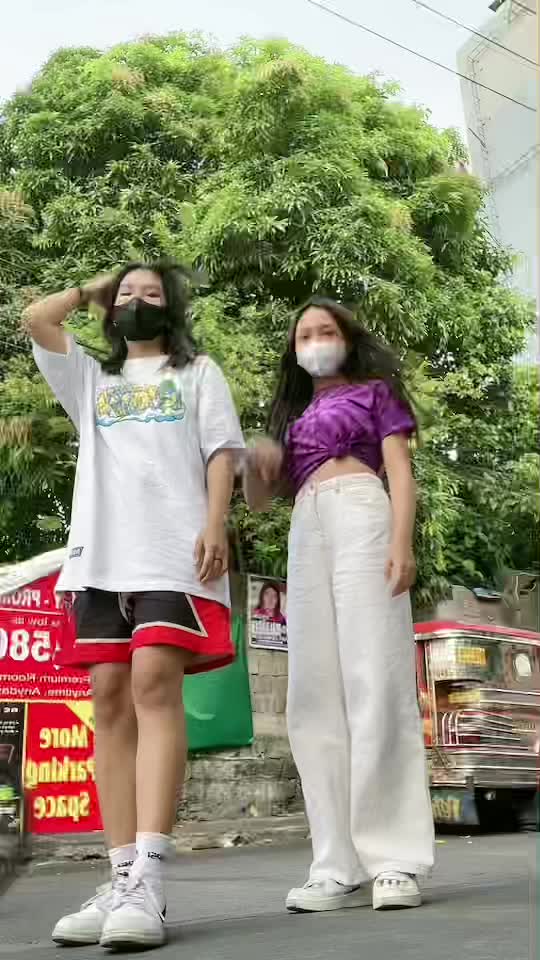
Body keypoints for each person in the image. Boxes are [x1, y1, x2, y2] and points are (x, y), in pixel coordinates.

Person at [24, 261, 244, 949]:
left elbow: (222, 452)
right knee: (110, 696)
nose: (137, 300)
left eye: (151, 293)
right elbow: (36, 318)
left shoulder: (198, 372)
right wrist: (91, 291)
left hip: (173, 553)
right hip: (101, 557)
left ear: (171, 307)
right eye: (127, 293)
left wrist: (215, 524)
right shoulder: (93, 377)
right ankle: (120, 875)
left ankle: (149, 876)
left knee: (153, 683)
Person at [244, 297, 434, 913]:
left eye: (325, 331)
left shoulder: (376, 393)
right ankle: (334, 863)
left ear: (347, 339)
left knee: (374, 678)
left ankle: (394, 859)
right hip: (306, 527)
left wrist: (401, 543)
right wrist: (256, 466)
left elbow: (400, 471)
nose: (316, 341)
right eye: (304, 335)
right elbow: (259, 502)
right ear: (294, 350)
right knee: (313, 693)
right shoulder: (292, 416)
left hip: (363, 513)